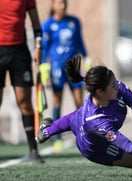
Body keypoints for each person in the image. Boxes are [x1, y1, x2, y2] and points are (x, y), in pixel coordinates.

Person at [36, 55, 132, 172]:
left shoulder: (116, 88)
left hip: (83, 120)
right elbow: (130, 148)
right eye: (113, 85)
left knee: (77, 117)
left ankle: (47, 131)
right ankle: (47, 131)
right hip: (96, 148)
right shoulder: (97, 122)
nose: (118, 86)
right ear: (100, 92)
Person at [40, 0, 91, 152]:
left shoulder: (74, 22)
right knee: (57, 102)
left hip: (73, 68)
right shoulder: (48, 25)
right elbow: (45, 47)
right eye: (59, 3)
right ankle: (57, 138)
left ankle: (85, 135)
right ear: (53, 5)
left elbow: (79, 41)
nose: (62, 6)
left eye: (64, 3)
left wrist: (86, 57)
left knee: (79, 102)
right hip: (56, 68)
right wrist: (44, 64)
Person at [0, 0, 43, 163]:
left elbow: (36, 25)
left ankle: (33, 150)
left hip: (19, 52)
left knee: (24, 102)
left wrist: (39, 47)